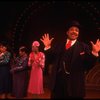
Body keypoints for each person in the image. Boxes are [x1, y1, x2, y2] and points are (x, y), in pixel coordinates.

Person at [40, 21, 100, 99]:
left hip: (75, 85)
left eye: (77, 30)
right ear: (67, 32)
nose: (74, 32)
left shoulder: (84, 47)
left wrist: (94, 53)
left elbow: (88, 65)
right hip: (58, 84)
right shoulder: (59, 45)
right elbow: (51, 59)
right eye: (72, 29)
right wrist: (47, 47)